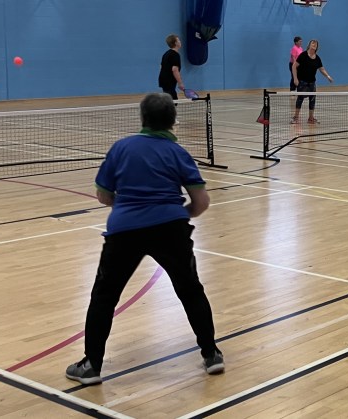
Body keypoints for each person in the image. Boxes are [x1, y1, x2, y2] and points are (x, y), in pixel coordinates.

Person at [65, 93, 223, 386]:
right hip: (171, 230)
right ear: (172, 121)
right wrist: (179, 213)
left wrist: (128, 208)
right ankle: (211, 354)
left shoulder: (121, 148)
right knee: (190, 290)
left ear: (143, 118)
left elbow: (103, 196)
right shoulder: (178, 153)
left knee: (104, 297)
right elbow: (201, 202)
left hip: (124, 231)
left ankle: (91, 366)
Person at [291, 39, 334, 124]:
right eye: (312, 43)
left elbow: (321, 69)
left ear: (317, 47)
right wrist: (295, 79)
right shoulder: (303, 55)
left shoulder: (317, 58)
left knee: (312, 100)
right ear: (309, 45)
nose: (314, 45)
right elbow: (294, 66)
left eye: (316, 44)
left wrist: (328, 76)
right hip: (302, 82)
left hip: (312, 82)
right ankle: (296, 117)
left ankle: (311, 118)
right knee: (300, 99)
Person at [158, 34, 185, 100]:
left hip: (163, 80)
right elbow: (175, 70)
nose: (180, 41)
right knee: (173, 101)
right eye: (178, 40)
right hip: (169, 82)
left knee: (168, 99)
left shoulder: (166, 54)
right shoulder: (175, 55)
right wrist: (180, 83)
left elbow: (161, 66)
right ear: (175, 43)